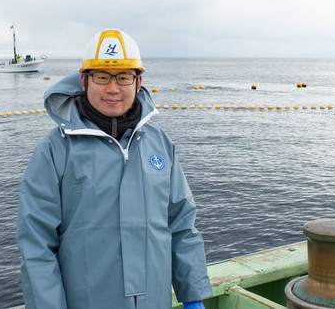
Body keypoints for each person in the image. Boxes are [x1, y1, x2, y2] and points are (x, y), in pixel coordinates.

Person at [17, 29, 212, 309]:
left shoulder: (159, 144)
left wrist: (192, 293)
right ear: (84, 81)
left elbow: (181, 224)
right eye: (102, 76)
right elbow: (36, 243)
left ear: (138, 82)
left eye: (123, 77)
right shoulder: (55, 150)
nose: (113, 88)